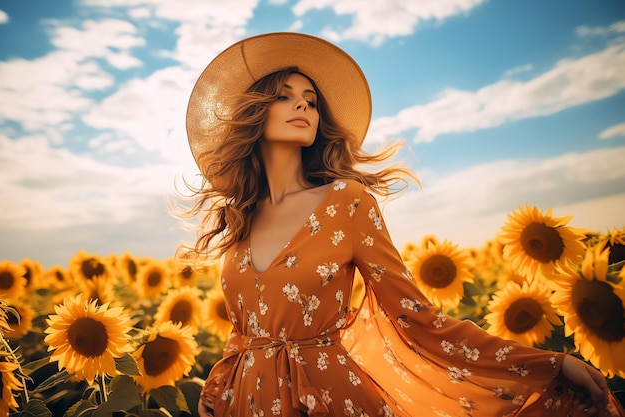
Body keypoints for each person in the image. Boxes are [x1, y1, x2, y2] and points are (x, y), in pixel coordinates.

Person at [183, 32, 624, 417]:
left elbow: (418, 319)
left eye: (312, 100)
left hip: (324, 398)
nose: (302, 104)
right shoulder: (239, 216)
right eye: (284, 95)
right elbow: (244, 331)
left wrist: (547, 363)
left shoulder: (347, 203)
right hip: (244, 401)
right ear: (254, 113)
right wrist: (219, 381)